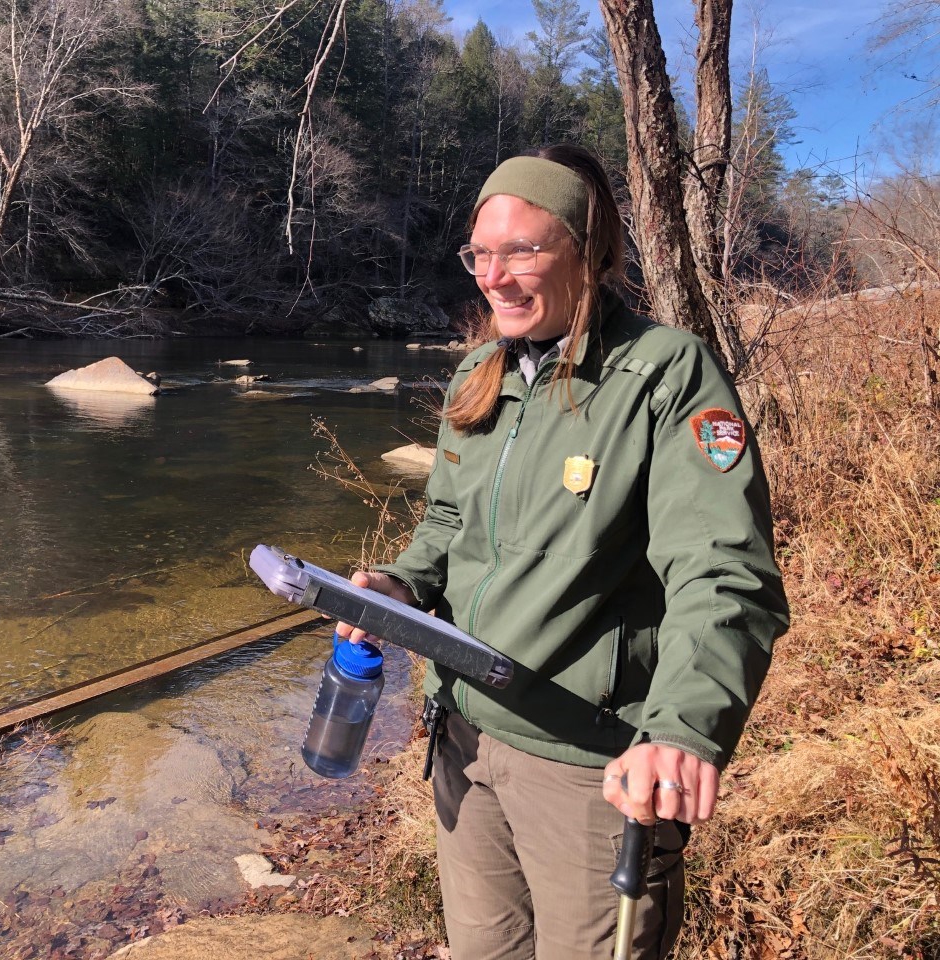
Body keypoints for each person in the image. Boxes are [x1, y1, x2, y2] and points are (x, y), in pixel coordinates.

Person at [336, 144, 789, 959]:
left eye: (523, 250)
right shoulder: (477, 373)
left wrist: (682, 733)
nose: (493, 275)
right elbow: (447, 523)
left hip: (590, 768)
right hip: (462, 747)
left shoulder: (663, 374)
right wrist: (398, 588)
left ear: (590, 251)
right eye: (481, 252)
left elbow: (724, 573)